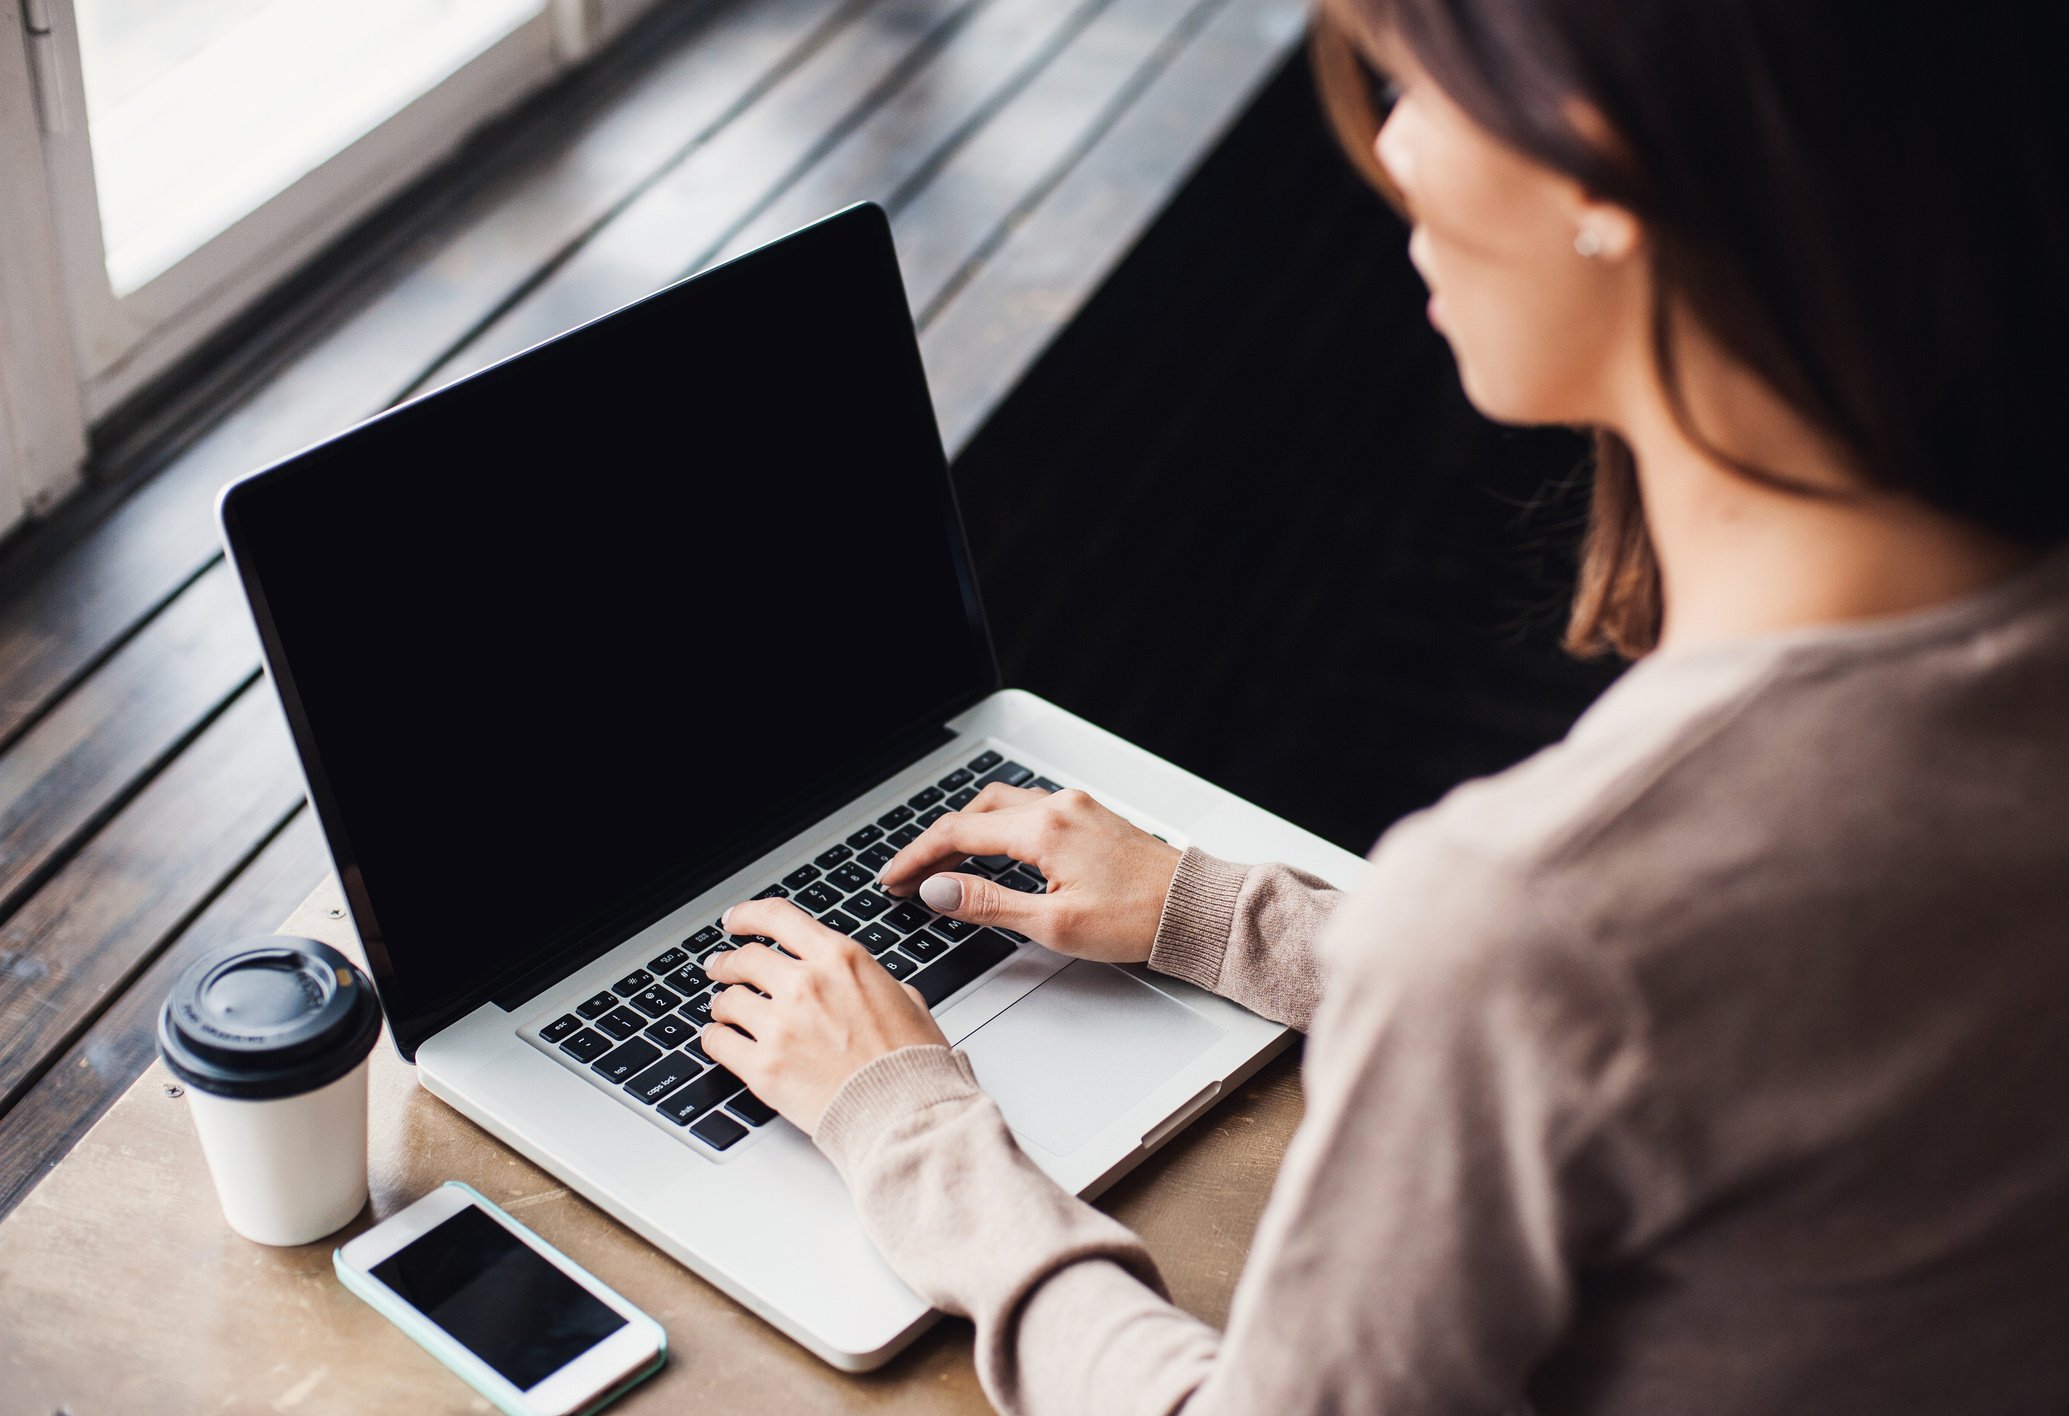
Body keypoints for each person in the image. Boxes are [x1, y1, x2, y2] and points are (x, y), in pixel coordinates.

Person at [696, 0, 2069, 1409]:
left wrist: (907, 1129)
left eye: (1411, 84)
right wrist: (1220, 915)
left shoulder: (1535, 906)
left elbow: (1584, 967)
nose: (1389, 153)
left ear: (1606, 166)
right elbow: (1723, 1021)